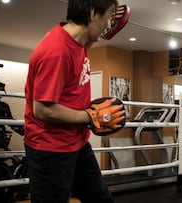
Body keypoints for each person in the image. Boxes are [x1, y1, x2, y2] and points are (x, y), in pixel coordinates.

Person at [24, 0, 125, 202]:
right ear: (93, 14)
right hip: (50, 148)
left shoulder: (78, 42)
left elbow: (91, 38)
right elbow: (43, 110)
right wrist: (89, 116)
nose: (109, 24)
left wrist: (113, 23)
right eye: (107, 18)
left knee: (100, 198)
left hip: (76, 142)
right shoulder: (56, 51)